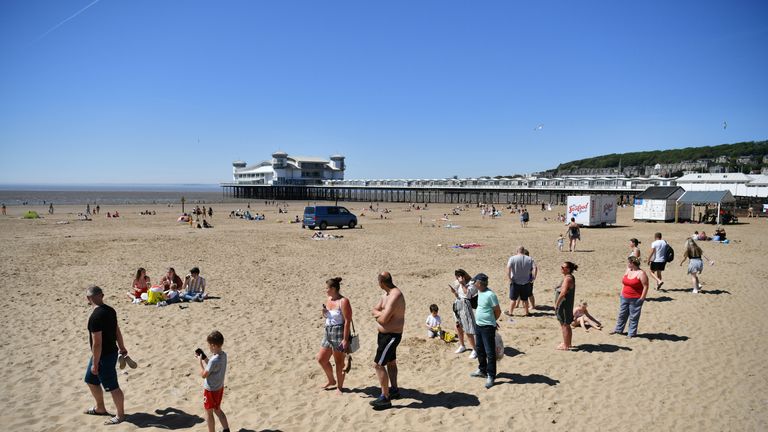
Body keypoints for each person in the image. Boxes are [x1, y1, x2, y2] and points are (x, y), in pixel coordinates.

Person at [83, 286, 128, 425]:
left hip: (104, 357)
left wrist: (95, 364)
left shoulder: (95, 318)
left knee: (113, 386)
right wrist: (122, 347)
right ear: (102, 295)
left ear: (88, 299)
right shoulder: (110, 310)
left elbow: (97, 344)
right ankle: (100, 408)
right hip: (108, 353)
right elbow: (117, 331)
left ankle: (120, 415)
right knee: (90, 380)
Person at [370, 272, 406, 409]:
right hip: (384, 336)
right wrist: (381, 314)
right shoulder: (386, 294)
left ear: (381, 283)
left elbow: (384, 319)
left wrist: (380, 315)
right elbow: (375, 310)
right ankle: (395, 390)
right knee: (391, 362)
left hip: (391, 336)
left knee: (378, 365)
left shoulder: (395, 295)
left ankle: (385, 397)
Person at [317, 277, 353, 394]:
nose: (325, 290)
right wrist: (325, 313)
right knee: (321, 359)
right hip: (328, 331)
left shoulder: (344, 301)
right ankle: (331, 380)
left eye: (327, 288)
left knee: (339, 362)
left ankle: (340, 387)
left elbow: (347, 320)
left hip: (339, 332)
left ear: (333, 288)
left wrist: (345, 339)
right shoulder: (329, 299)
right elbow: (328, 316)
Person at [468, 273, 501, 389]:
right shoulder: (480, 292)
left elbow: (498, 311)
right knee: (479, 349)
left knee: (490, 353)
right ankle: (482, 370)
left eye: (475, 282)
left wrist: (492, 321)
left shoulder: (490, 295)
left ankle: (491, 375)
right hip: (479, 326)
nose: (474, 283)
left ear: (480, 283)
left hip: (487, 327)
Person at [197, 330, 230, 432]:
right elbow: (212, 367)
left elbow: (204, 375)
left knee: (208, 412)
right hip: (219, 388)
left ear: (213, 345)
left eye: (209, 346)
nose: (209, 348)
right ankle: (226, 430)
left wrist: (199, 362)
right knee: (218, 410)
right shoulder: (223, 355)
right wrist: (205, 358)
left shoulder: (214, 360)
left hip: (210, 390)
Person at [611, 256, 649, 338]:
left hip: (636, 298)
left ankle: (631, 333)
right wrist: (621, 293)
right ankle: (618, 330)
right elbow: (624, 283)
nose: (627, 264)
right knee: (622, 314)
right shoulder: (628, 270)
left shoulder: (641, 273)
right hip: (624, 296)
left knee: (633, 316)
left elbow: (645, 286)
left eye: (629, 262)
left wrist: (642, 298)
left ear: (633, 264)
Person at [449, 269, 477, 357]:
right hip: (458, 304)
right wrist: (454, 292)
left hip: (465, 306)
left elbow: (468, 295)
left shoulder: (471, 284)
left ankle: (475, 349)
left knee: (468, 329)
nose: (457, 279)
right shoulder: (458, 284)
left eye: (458, 277)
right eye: (457, 278)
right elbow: (459, 295)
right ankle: (462, 345)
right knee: (458, 327)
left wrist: (463, 283)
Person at [505, 246, 537, 318]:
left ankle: (510, 312)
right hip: (526, 282)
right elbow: (535, 268)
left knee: (513, 299)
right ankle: (527, 312)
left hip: (515, 281)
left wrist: (509, 278)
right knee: (525, 299)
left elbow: (508, 268)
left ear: (517, 251)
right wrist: (533, 277)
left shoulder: (512, 258)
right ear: (523, 251)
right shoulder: (529, 258)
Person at [554, 262, 577, 350]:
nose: (561, 268)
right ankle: (567, 343)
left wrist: (556, 304)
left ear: (568, 269)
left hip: (564, 305)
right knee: (566, 324)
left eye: (563, 267)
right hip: (565, 304)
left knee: (564, 324)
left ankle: (566, 345)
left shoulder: (568, 279)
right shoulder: (569, 277)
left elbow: (563, 293)